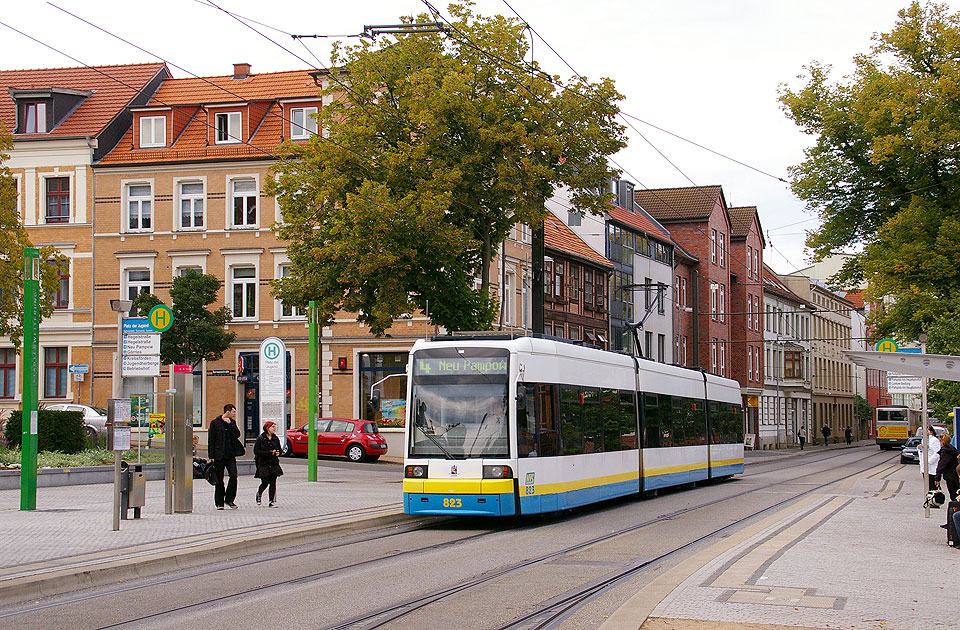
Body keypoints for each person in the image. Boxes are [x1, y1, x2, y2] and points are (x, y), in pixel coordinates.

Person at [208, 403, 242, 510]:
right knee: (219, 479)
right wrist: (211, 455)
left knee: (233, 476)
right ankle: (219, 502)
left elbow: (237, 434)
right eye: (233, 411)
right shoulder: (215, 423)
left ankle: (229, 499)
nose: (234, 413)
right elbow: (211, 440)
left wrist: (230, 425)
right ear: (228, 411)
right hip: (219, 455)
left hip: (230, 454)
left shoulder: (232, 422)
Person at [254, 421, 284, 507]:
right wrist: (269, 453)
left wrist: (279, 452)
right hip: (263, 463)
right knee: (265, 481)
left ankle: (271, 501)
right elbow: (256, 451)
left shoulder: (275, 438)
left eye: (275, 427)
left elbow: (279, 449)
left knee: (273, 482)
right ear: (267, 428)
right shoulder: (261, 438)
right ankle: (259, 493)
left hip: (273, 462)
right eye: (272, 427)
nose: (274, 429)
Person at [935, 432, 959, 502]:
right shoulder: (952, 449)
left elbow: (941, 465)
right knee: (956, 493)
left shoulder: (945, 451)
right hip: (955, 475)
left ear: (941, 440)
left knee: (953, 495)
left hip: (950, 475)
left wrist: (937, 478)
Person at [920, 425, 942, 497]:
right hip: (925, 467)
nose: (925, 432)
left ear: (931, 432)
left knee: (932, 485)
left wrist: (929, 461)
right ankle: (929, 499)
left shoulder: (934, 440)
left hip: (931, 467)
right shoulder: (924, 440)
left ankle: (935, 500)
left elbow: (937, 453)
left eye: (927, 430)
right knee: (927, 486)